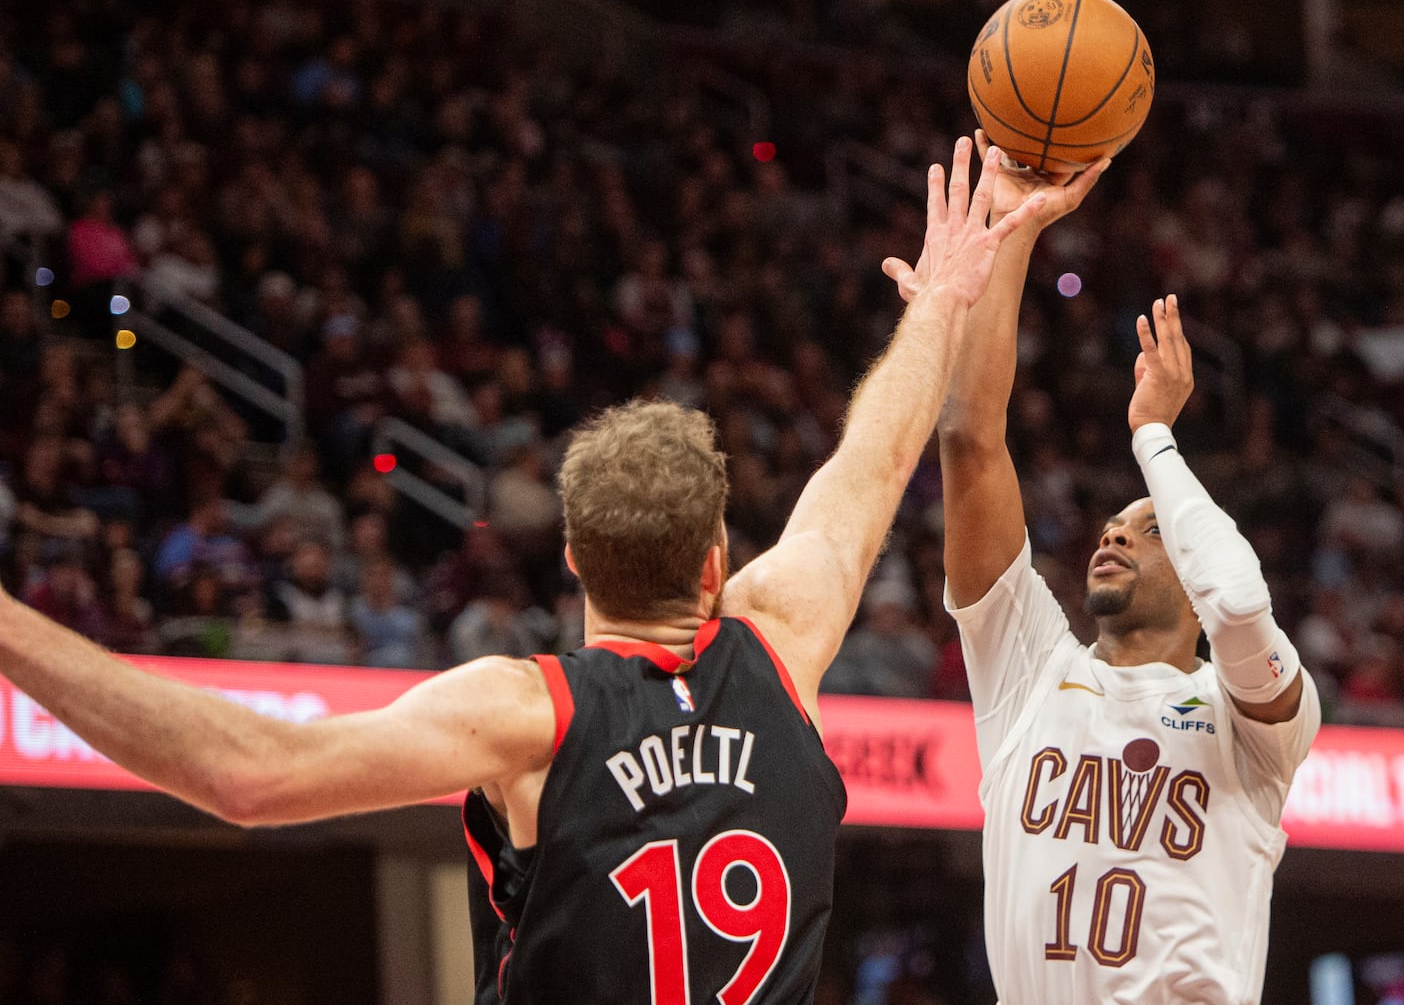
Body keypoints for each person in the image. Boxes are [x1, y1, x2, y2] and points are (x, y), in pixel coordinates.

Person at [0, 139, 1045, 1004]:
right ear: (720, 559)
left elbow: (244, 772)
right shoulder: (785, 641)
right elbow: (874, 456)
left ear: (573, 557)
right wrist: (947, 290)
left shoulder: (529, 711)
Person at [937, 132, 1319, 1004]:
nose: (1112, 534)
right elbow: (969, 440)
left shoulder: (1254, 725)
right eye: (1111, 525)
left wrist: (1155, 438)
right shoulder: (1030, 670)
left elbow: (1240, 600)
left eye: (1147, 528)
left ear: (1192, 551)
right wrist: (1015, 227)